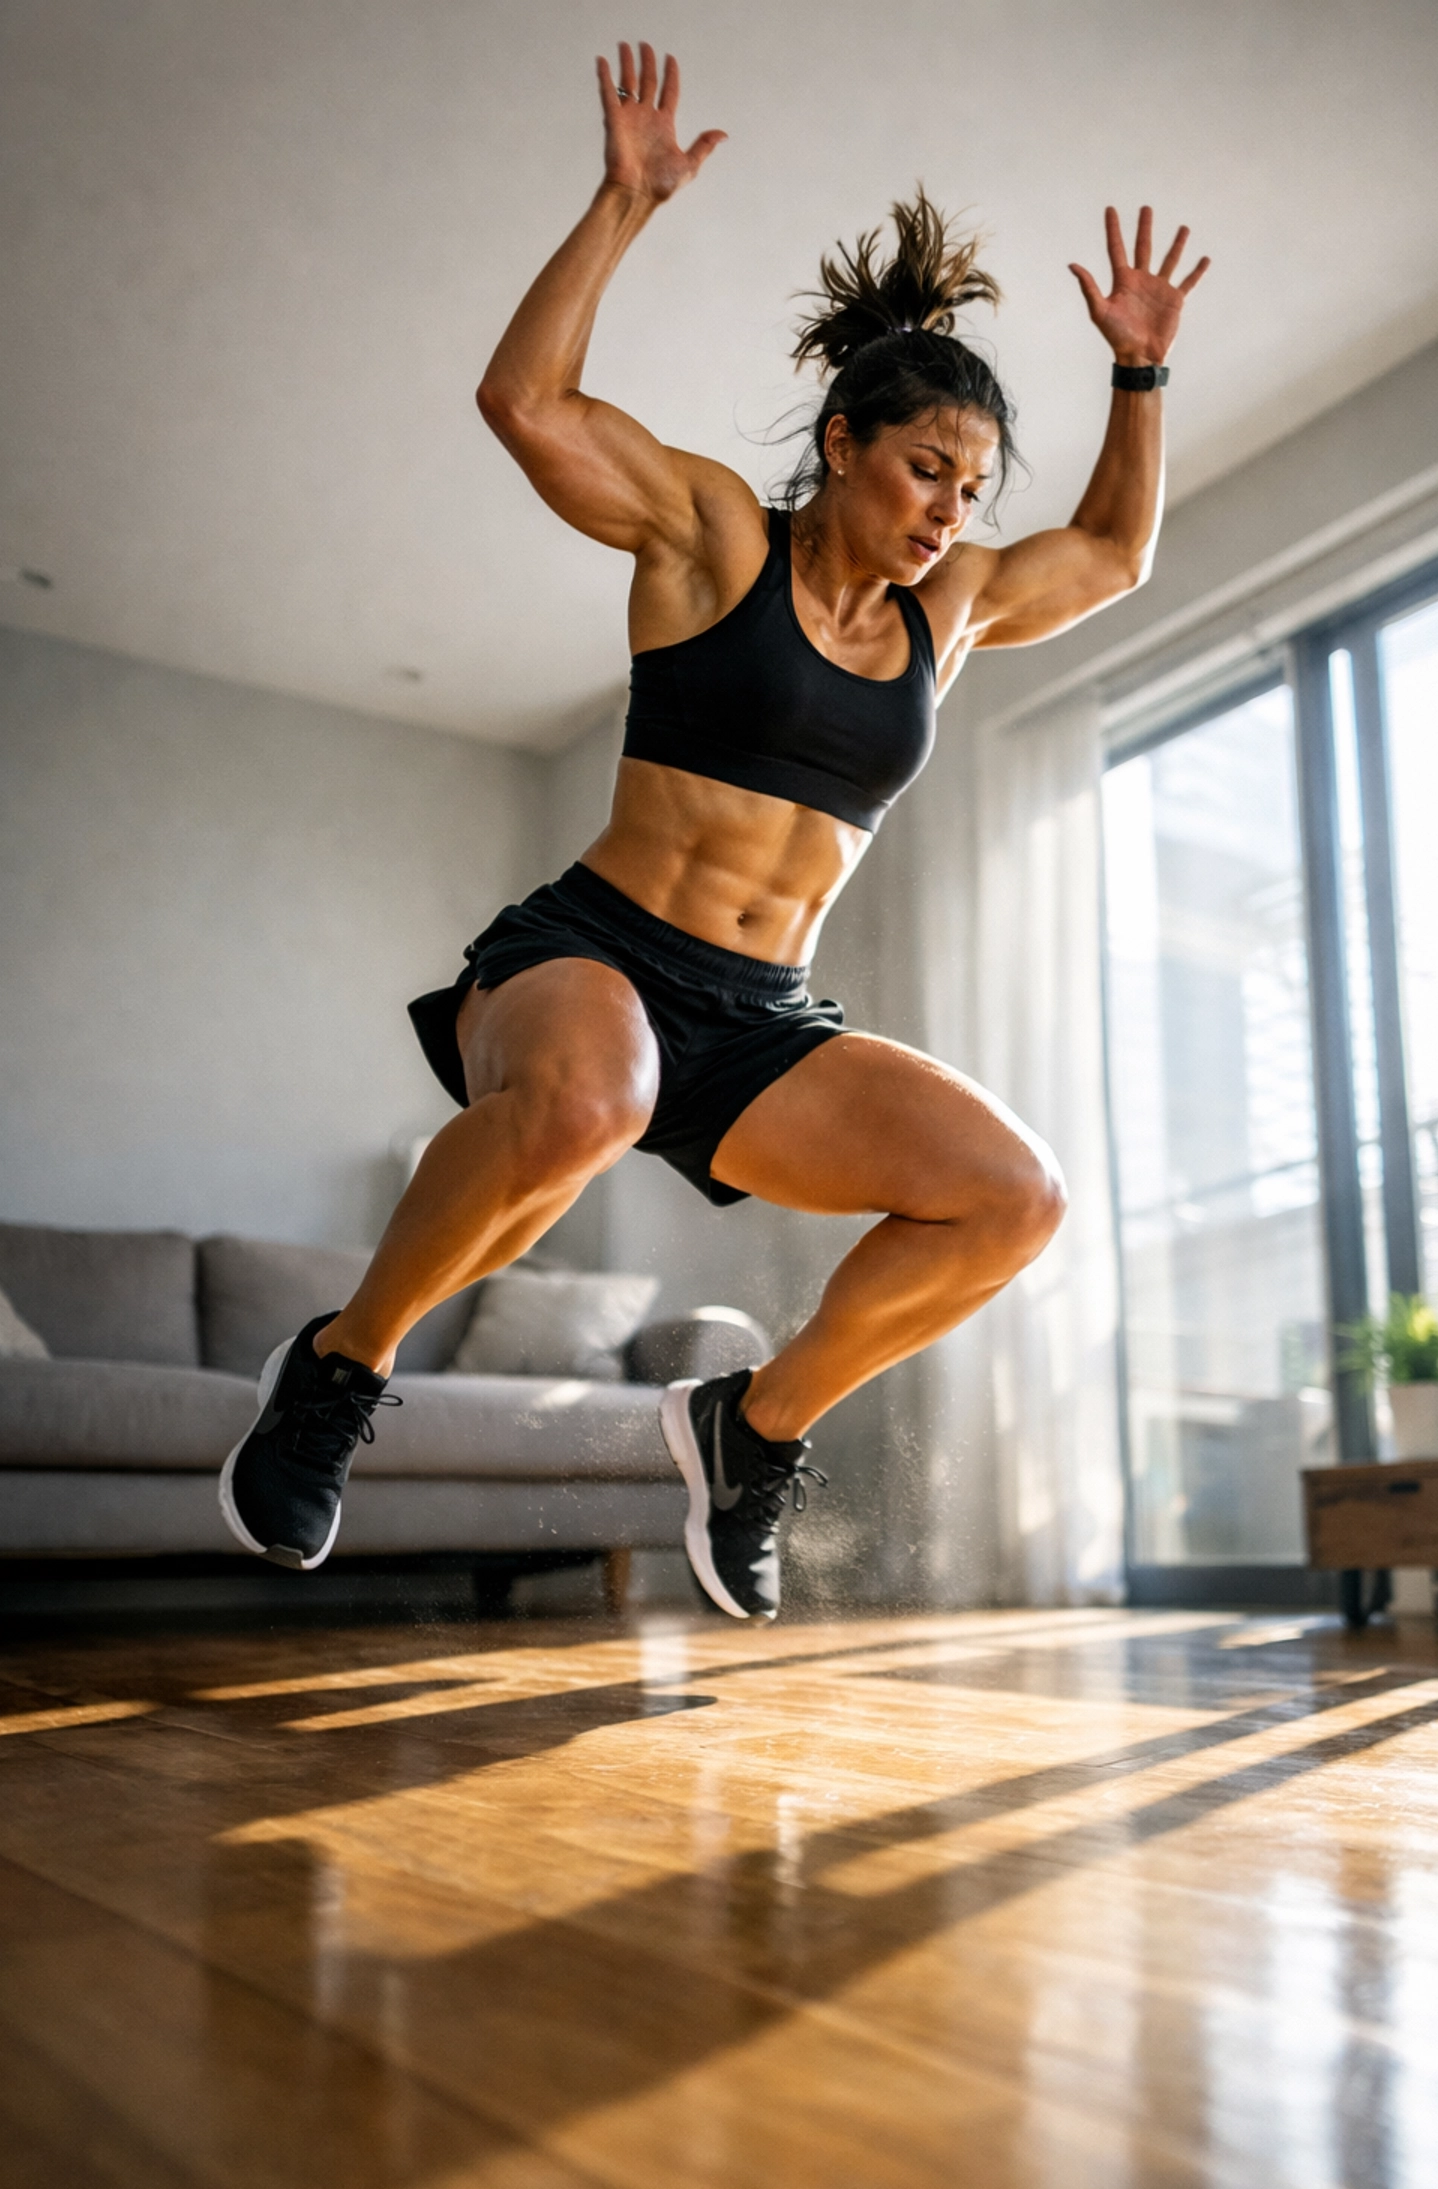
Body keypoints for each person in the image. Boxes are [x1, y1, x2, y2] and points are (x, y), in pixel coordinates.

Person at [220, 43, 1208, 1615]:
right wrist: (621, 205)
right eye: (923, 470)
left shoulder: (943, 617)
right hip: (595, 954)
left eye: (969, 484)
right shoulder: (709, 537)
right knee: (591, 1101)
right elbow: (521, 401)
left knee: (1014, 1198)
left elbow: (1111, 553)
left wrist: (1140, 375)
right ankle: (340, 1370)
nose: (952, 510)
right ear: (840, 451)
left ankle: (752, 1432)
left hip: (761, 1020)